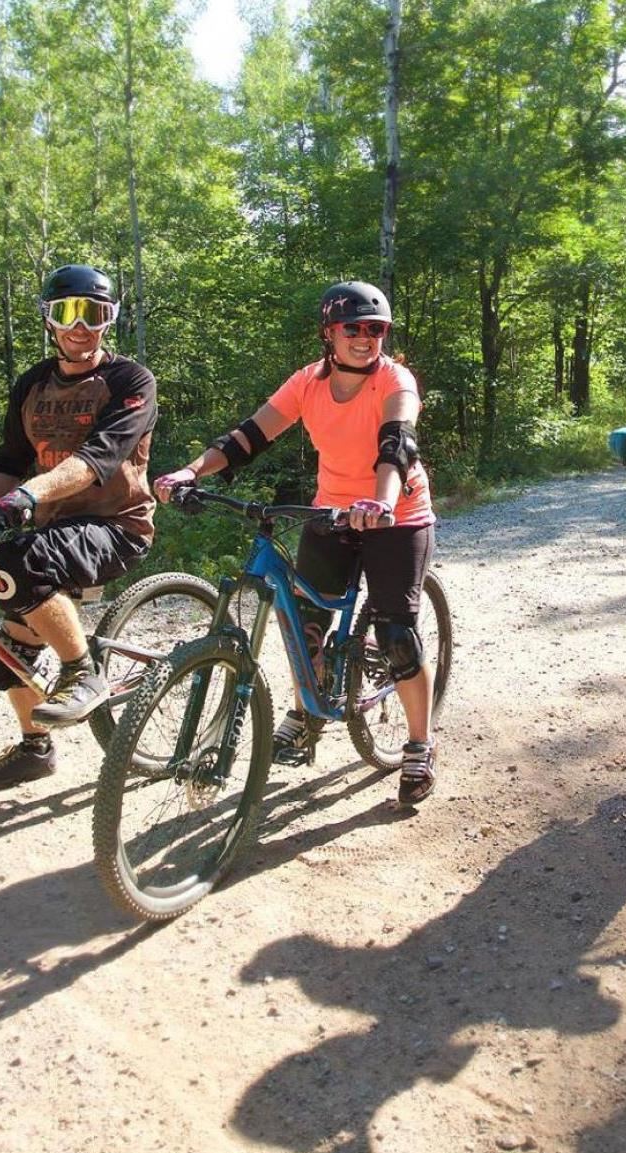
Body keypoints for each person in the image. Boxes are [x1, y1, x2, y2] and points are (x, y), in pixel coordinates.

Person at [153, 280, 439, 805]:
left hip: (396, 515)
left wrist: (380, 502)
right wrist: (191, 471)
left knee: (396, 634)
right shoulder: (307, 382)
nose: (365, 337)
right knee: (305, 624)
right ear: (329, 332)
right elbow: (248, 437)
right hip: (330, 512)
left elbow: (397, 443)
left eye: (376, 329)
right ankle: (309, 714)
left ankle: (420, 742)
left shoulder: (394, 380)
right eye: (353, 327)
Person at [0, 264, 157, 794]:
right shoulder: (32, 384)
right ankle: (35, 750)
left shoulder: (131, 382)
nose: (80, 326)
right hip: (53, 529)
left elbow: (97, 458)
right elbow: (9, 461)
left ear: (110, 319)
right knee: (6, 657)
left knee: (17, 561)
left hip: (116, 527)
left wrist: (28, 496)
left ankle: (83, 672)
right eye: (67, 312)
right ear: (49, 319)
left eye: (94, 313)